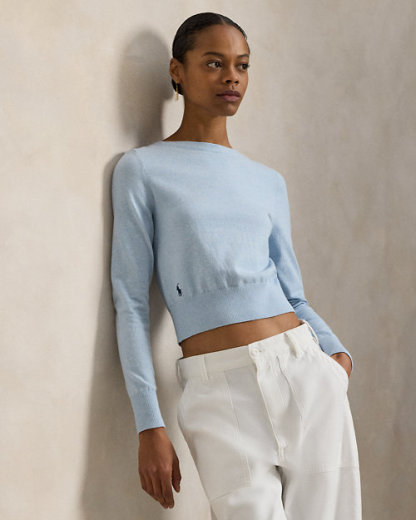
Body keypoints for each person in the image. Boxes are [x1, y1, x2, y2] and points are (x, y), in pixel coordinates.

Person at [110, 11, 362, 519]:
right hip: (217, 390)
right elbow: (131, 302)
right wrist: (148, 423)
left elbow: (293, 294)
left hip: (304, 373)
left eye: (242, 65)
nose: (232, 77)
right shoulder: (142, 170)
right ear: (177, 71)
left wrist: (337, 358)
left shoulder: (267, 181)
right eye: (214, 63)